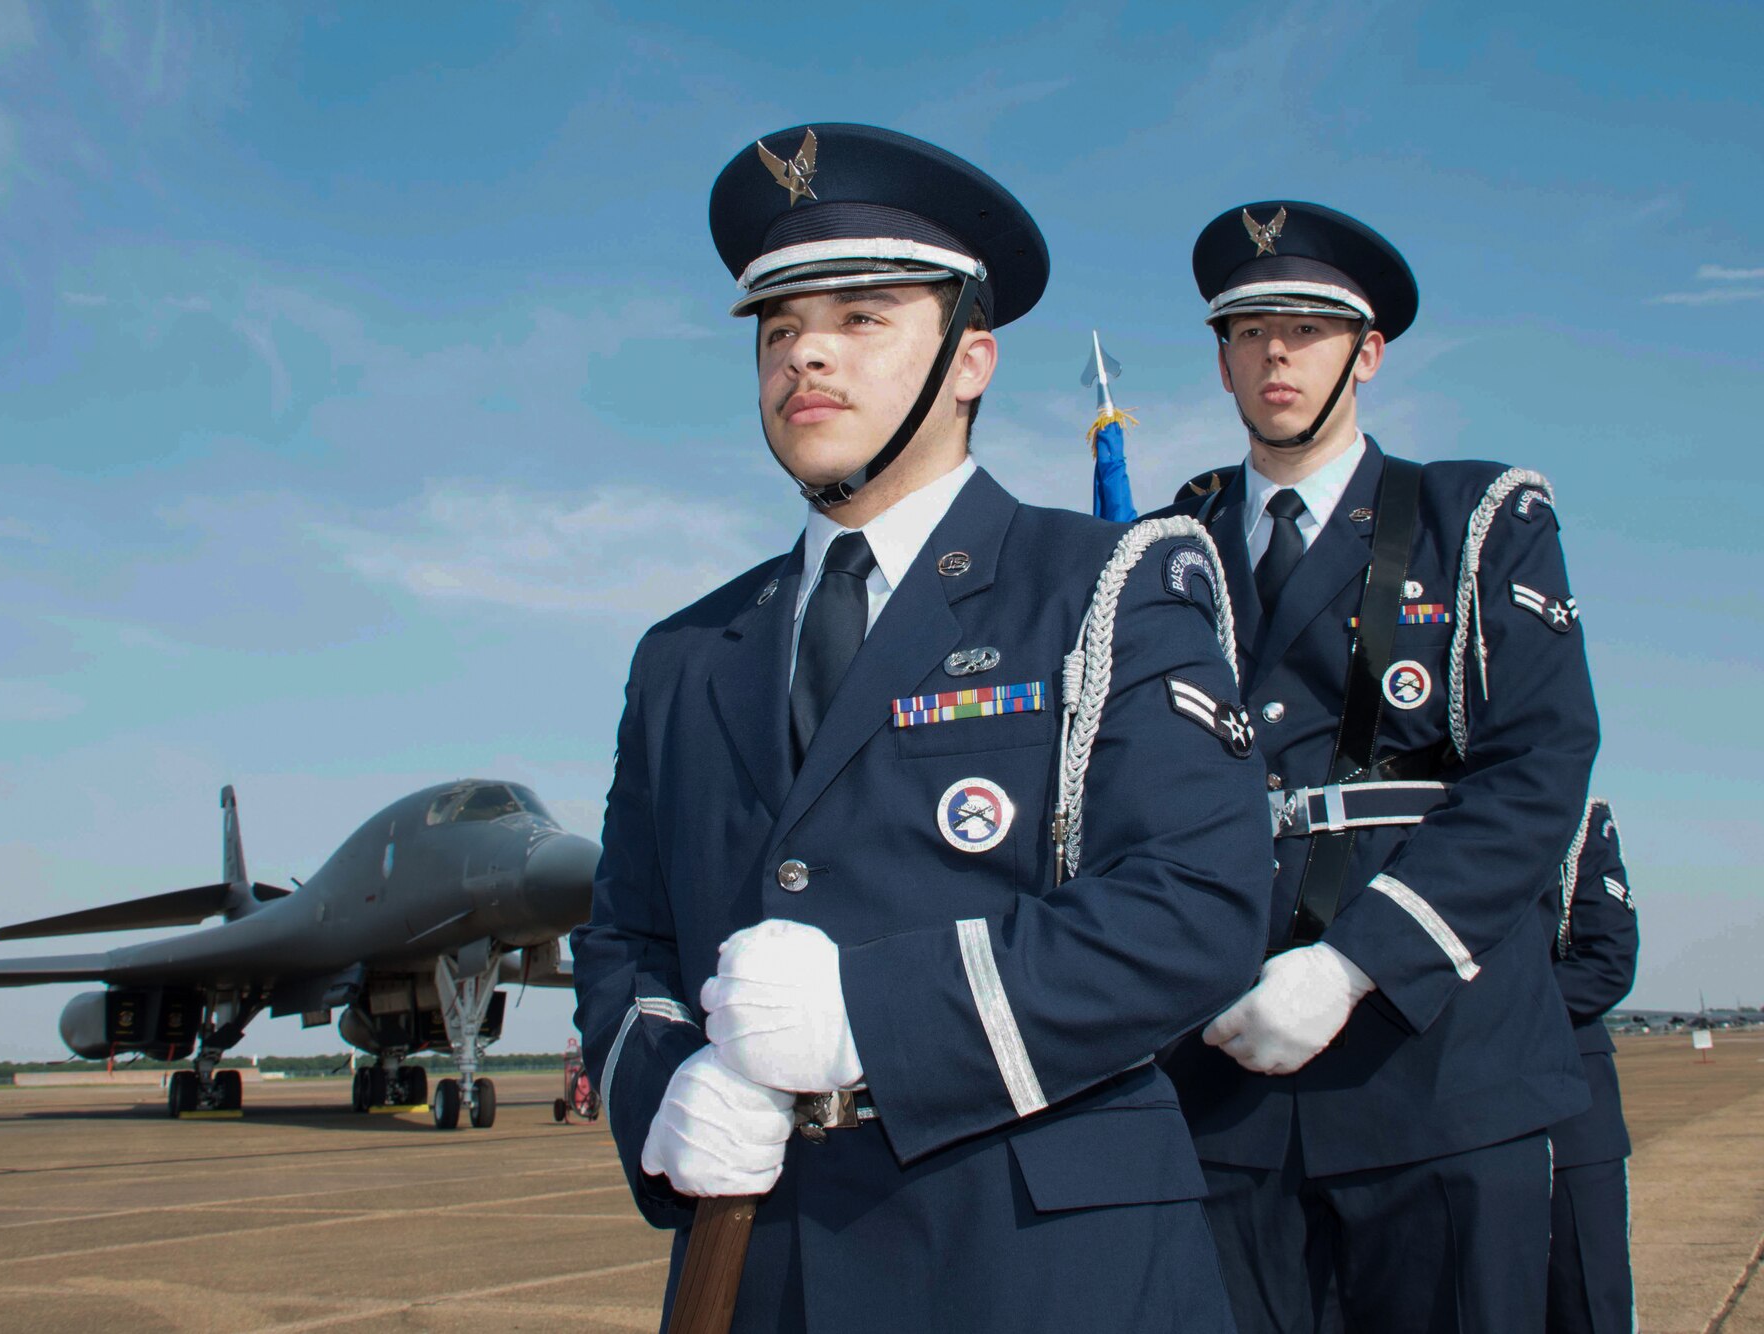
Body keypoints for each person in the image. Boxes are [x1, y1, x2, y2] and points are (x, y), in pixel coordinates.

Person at [570, 123, 1276, 1332]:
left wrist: (874, 1016)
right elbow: (626, 936)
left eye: (861, 317)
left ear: (969, 360)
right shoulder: (685, 654)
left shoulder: (1107, 584)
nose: (807, 358)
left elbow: (1195, 903)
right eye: (779, 329)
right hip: (763, 1262)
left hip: (1038, 1267)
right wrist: (662, 1082)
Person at [1151, 201, 1601, 1332]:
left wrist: (1355, 963)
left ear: (1368, 351)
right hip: (1219, 1069)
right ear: (1218, 358)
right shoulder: (1167, 545)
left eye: (1305, 327)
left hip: (1431, 1060)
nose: (1273, 354)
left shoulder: (1476, 515)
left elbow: (1538, 765)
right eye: (1247, 331)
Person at [1545, 797, 1639, 1334]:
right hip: (1437, 1107)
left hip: (1570, 1114)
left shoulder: (1577, 815)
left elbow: (1608, 961)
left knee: (1586, 1306)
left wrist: (1486, 1016)